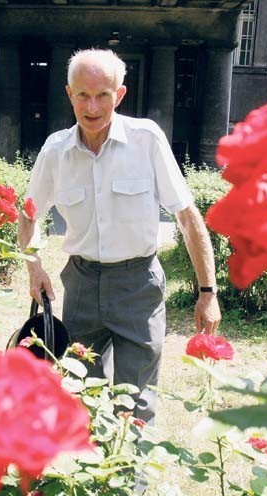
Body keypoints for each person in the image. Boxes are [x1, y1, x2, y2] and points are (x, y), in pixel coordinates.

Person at [18, 48, 221, 423]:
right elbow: (29, 214)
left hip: (137, 288)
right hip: (80, 285)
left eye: (103, 95)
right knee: (81, 400)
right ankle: (93, 480)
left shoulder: (147, 140)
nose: (92, 106)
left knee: (136, 407)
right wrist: (34, 267)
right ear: (69, 94)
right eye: (83, 95)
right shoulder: (55, 151)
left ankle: (133, 483)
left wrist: (207, 292)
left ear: (120, 95)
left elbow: (187, 217)